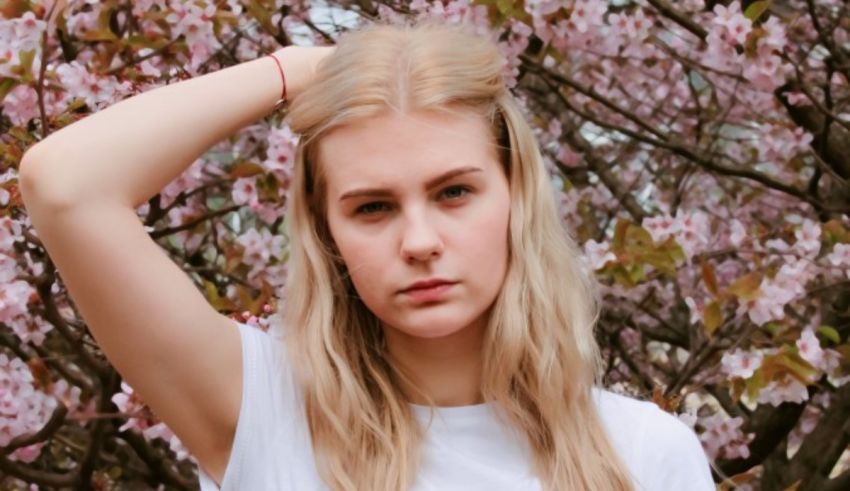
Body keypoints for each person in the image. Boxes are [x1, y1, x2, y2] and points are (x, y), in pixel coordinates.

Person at [19, 17, 715, 491]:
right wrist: (297, 70)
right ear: (327, 231)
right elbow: (65, 183)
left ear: (515, 199)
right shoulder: (262, 411)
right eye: (372, 207)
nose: (419, 242)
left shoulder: (642, 451)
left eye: (453, 192)